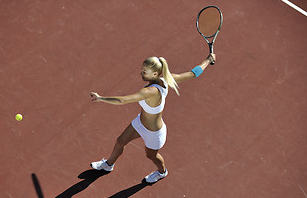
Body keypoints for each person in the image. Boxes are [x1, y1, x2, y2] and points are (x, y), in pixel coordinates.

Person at [90, 53, 216, 183]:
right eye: (142, 70)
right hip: (140, 122)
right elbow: (192, 74)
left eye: (145, 72)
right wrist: (208, 60)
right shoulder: (166, 79)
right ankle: (108, 165)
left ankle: (162, 172)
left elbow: (122, 101)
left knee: (151, 155)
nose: (141, 73)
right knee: (120, 141)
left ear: (155, 74)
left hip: (154, 133)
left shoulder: (149, 92)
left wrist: (101, 98)